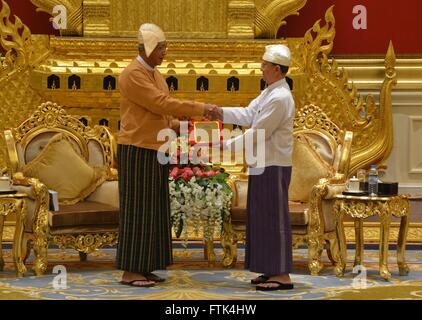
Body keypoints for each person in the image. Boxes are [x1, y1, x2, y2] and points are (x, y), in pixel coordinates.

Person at [117, 23, 218, 287]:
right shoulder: (133, 74)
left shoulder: (155, 74)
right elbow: (160, 103)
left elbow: (163, 115)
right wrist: (200, 108)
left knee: (154, 209)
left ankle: (145, 265)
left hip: (157, 147)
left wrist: (188, 127)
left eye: (165, 47)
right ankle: (130, 270)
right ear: (148, 49)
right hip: (137, 148)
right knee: (138, 209)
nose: (165, 52)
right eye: (161, 48)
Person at [210, 45, 295, 291]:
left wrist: (226, 146)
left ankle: (282, 274)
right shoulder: (270, 91)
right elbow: (248, 114)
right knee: (261, 218)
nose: (261, 69)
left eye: (264, 65)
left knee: (274, 218)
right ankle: (270, 270)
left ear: (276, 70)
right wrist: (219, 113)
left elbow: (258, 132)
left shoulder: (280, 98)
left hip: (274, 165)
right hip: (262, 164)